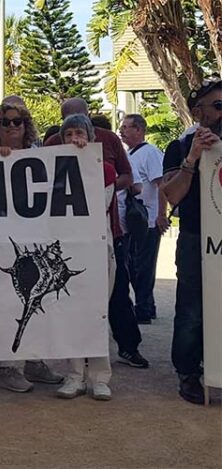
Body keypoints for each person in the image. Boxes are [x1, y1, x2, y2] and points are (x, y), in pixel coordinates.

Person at [44, 98, 145, 369]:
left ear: (89, 118)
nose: (75, 129)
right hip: (66, 238)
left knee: (116, 295)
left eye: (80, 120)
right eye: (69, 121)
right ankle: (76, 363)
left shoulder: (109, 140)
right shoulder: (53, 143)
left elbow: (126, 175)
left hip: (107, 231)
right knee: (72, 300)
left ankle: (127, 347)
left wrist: (102, 179)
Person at [0, 102, 64, 392]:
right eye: (5, 122)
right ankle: (7, 367)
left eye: (18, 122)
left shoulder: (43, 156)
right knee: (6, 304)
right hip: (2, 243)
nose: (12, 127)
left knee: (39, 302)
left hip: (36, 241)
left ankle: (35, 362)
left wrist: (80, 146)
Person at [162, 77, 221, 404]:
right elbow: (171, 194)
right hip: (196, 238)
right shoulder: (180, 146)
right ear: (199, 112)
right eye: (217, 106)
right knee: (192, 309)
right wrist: (194, 158)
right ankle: (188, 373)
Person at [54, 114, 114, 401]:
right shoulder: (52, 171)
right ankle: (74, 375)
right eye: (68, 135)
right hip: (66, 251)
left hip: (98, 248)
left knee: (98, 313)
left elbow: (97, 206)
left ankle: (100, 377)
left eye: (79, 133)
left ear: (91, 138)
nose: (74, 139)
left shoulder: (106, 171)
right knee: (71, 314)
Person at [119, 114, 168, 325]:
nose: (122, 131)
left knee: (143, 266)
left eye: (126, 127)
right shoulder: (130, 154)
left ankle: (144, 308)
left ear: (138, 130)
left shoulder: (150, 153)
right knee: (134, 264)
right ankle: (147, 304)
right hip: (135, 221)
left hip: (148, 219)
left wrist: (161, 215)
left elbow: (162, 183)